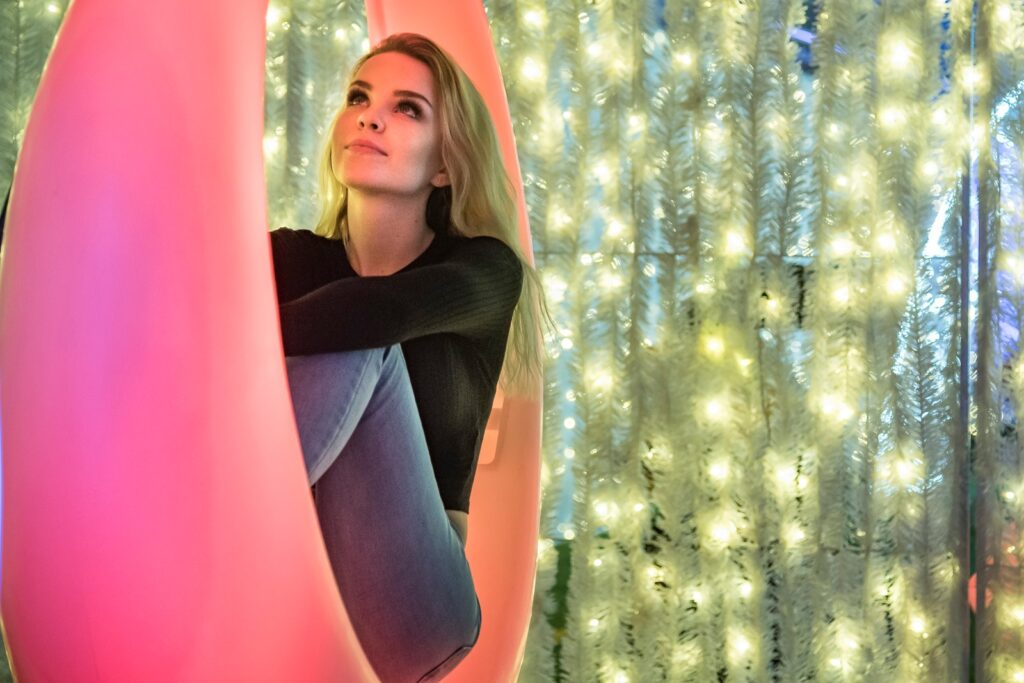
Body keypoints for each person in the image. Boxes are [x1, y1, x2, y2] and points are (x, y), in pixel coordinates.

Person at [269, 33, 549, 683]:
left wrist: (235, 341)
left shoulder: (485, 270)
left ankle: (203, 519)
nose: (370, 115)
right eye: (359, 97)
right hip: (296, 579)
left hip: (417, 605)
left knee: (364, 337)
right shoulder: (288, 259)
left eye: (408, 108)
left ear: (444, 166)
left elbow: (378, 314)